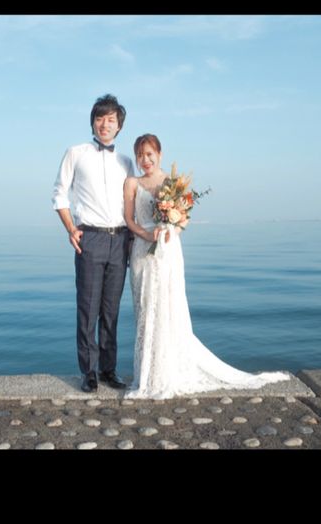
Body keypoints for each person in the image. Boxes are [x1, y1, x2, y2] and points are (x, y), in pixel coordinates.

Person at [123, 134, 289, 399]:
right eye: (140, 155)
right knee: (146, 309)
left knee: (169, 308)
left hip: (168, 251)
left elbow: (183, 219)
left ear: (160, 154)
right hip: (143, 251)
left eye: (149, 154)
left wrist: (170, 231)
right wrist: (147, 235)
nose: (145, 160)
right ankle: (148, 373)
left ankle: (169, 370)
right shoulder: (132, 182)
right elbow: (129, 219)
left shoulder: (174, 183)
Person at [52, 94, 134, 393]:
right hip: (91, 238)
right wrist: (71, 228)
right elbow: (59, 193)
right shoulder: (75, 153)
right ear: (93, 122)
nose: (105, 124)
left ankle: (108, 369)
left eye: (111, 119)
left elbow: (132, 201)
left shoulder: (126, 162)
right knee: (88, 309)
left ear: (119, 126)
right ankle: (88, 372)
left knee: (111, 311)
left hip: (121, 239)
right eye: (100, 118)